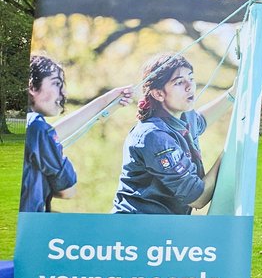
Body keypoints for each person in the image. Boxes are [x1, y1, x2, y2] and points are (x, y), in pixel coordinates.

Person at [113, 53, 233, 214]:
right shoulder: (153, 137)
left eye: (191, 78)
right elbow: (198, 198)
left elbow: (201, 120)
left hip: (164, 228)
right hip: (135, 229)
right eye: (179, 82)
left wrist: (235, 92)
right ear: (158, 94)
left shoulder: (183, 117)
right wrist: (228, 154)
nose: (189, 86)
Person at [22, 55, 133, 212]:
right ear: (32, 87)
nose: (63, 93)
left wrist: (105, 101)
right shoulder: (35, 126)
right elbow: (68, 190)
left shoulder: (23, 126)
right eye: (56, 84)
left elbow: (51, 135)